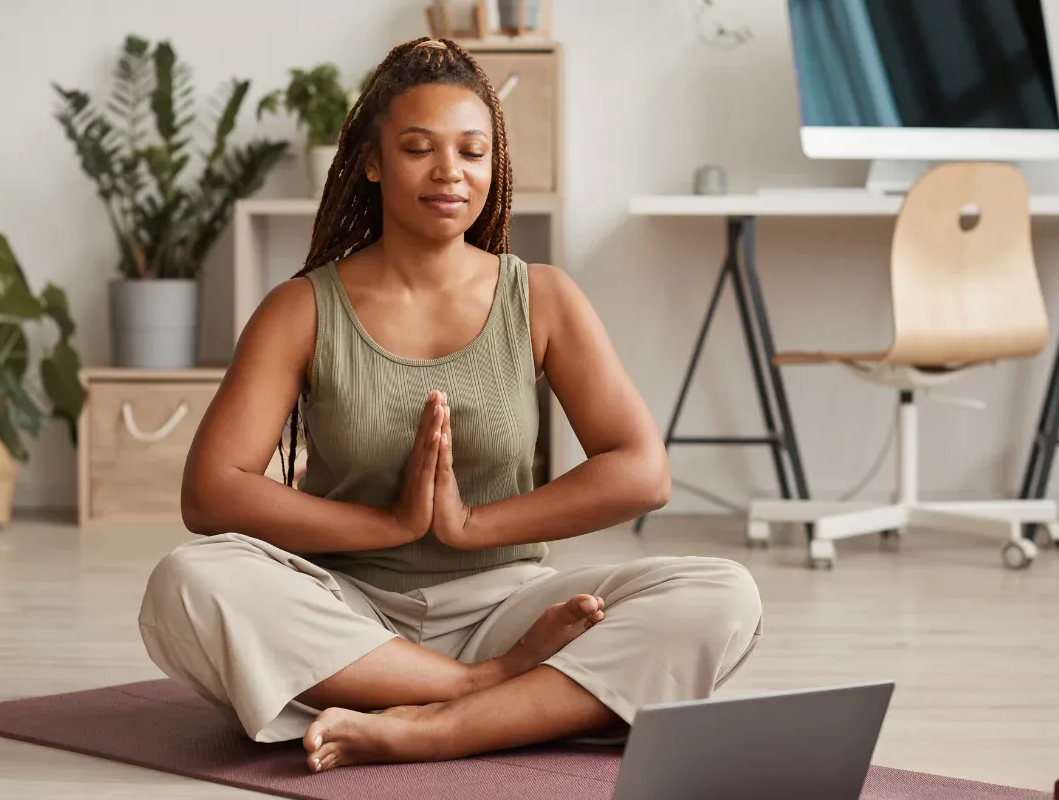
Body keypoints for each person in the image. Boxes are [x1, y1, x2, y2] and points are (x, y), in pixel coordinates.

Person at [138, 37, 763, 774]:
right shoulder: (302, 307)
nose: (450, 173)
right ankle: (485, 695)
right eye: (418, 149)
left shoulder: (544, 297)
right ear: (372, 162)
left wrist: (470, 527)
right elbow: (212, 491)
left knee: (723, 594)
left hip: (509, 609)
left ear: (493, 167)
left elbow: (641, 471)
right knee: (189, 582)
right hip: (348, 612)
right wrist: (388, 525)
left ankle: (431, 730)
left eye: (472, 152)